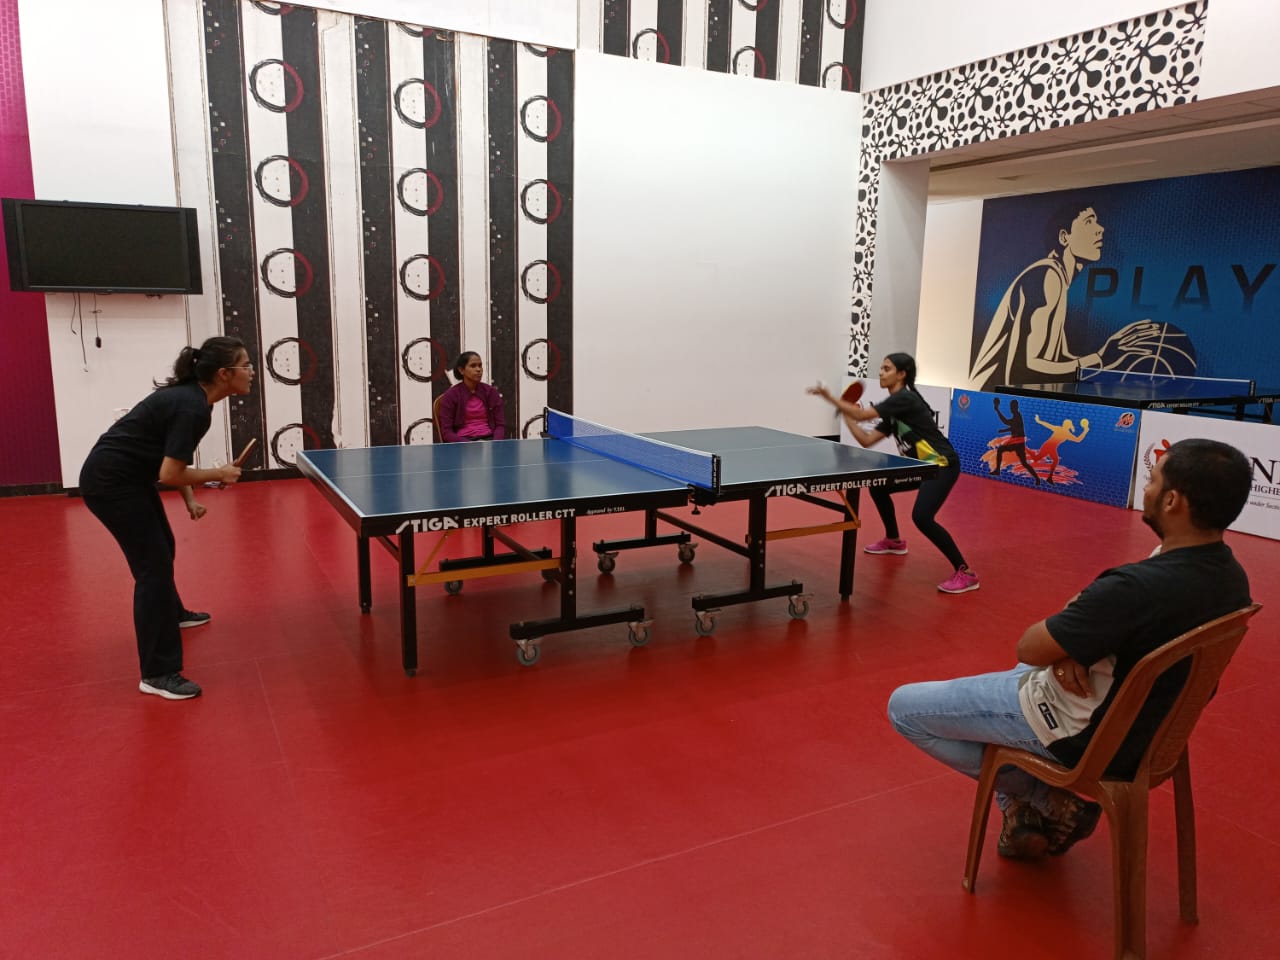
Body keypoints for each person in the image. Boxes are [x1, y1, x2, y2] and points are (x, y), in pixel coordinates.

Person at [887, 438, 1252, 859]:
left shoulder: (1133, 588)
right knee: (1021, 671)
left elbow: (1030, 646)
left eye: (1153, 480)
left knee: (904, 708)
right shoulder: (1232, 579)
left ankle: (1042, 797)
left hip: (1082, 734)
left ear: (1172, 501)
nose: (1146, 488)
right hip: (1150, 732)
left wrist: (1064, 648)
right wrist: (1071, 650)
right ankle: (1020, 810)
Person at [79, 337, 253, 700]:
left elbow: (171, 461)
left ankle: (173, 613)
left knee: (164, 547)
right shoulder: (191, 408)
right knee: (152, 570)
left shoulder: (196, 401)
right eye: (246, 365)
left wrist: (190, 498)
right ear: (224, 374)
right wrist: (219, 473)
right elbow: (171, 473)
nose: (251, 372)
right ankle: (157, 673)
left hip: (130, 478)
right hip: (110, 483)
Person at [809, 352, 978, 594]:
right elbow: (867, 440)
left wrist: (830, 398)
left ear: (901, 374)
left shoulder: (905, 398)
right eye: (881, 368)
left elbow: (862, 415)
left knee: (922, 517)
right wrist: (847, 415)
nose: (881, 372)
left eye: (887, 368)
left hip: (941, 465)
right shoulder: (895, 409)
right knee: (879, 487)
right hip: (921, 467)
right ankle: (894, 540)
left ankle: (966, 572)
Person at [968, 203, 1161, 391]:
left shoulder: (1057, 279)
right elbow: (1026, 369)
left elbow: (1059, 361)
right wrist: (1100, 359)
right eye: (1089, 222)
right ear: (1064, 237)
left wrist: (1106, 359)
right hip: (987, 400)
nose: (1100, 229)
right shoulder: (1047, 275)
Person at [437, 351, 505, 442]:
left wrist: (495, 443)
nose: (478, 369)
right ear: (461, 370)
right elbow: (446, 433)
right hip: (463, 442)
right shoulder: (450, 396)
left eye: (480, 365)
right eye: (473, 366)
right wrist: (470, 445)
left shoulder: (491, 392)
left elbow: (500, 425)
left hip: (489, 439)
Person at [990, 397, 1040, 484]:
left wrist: (998, 410)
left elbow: (1006, 422)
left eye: (1012, 407)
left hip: (1018, 443)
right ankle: (1037, 479)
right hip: (1016, 442)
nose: (1011, 409)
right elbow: (1013, 427)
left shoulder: (1017, 415)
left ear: (1016, 407)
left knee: (1023, 462)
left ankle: (1037, 478)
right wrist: (1003, 430)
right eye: (1011, 407)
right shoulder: (1016, 416)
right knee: (1003, 451)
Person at [1029, 413, 1090, 484]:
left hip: (1051, 447)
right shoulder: (1063, 431)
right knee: (1038, 459)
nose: (1065, 425)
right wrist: (1085, 431)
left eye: (1066, 424)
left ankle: (1049, 477)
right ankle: (1025, 450)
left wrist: (1085, 431)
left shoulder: (1065, 432)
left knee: (1052, 460)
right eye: (1066, 424)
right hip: (1048, 445)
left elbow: (1078, 440)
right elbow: (1048, 425)